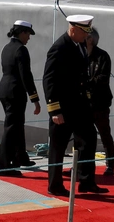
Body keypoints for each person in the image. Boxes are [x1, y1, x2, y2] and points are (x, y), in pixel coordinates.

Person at [42, 14, 107, 196]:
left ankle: (86, 181)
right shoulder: (59, 48)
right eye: (83, 32)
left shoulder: (78, 45)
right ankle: (55, 186)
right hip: (62, 107)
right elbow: (49, 80)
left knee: (89, 139)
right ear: (73, 29)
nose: (86, 37)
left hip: (79, 106)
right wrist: (54, 110)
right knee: (58, 147)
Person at [0, 20, 42, 176]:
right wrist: (35, 99)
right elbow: (26, 76)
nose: (29, 38)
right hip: (15, 92)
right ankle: (4, 166)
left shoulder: (6, 48)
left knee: (17, 125)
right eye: (28, 34)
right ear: (22, 32)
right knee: (11, 129)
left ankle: (21, 157)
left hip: (4, 90)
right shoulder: (21, 50)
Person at [87, 27, 114, 177]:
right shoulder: (80, 55)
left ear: (90, 39)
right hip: (84, 103)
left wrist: (85, 83)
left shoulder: (102, 56)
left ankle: (110, 164)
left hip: (100, 103)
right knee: (82, 137)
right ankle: (82, 166)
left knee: (105, 134)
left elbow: (103, 79)